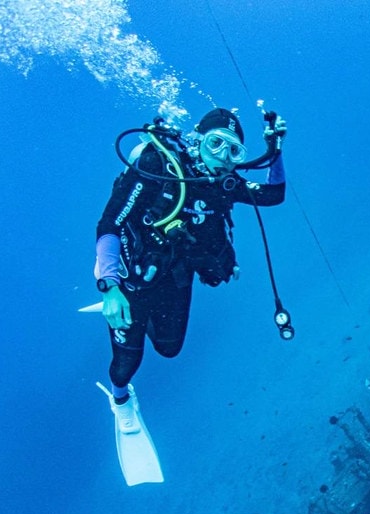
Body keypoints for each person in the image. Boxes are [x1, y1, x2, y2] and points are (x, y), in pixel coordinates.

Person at [93, 107, 287, 436]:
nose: (223, 157)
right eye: (215, 144)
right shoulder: (158, 167)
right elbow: (109, 223)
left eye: (233, 150)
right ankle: (122, 401)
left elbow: (273, 195)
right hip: (129, 279)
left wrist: (277, 149)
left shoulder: (223, 184)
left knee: (169, 349)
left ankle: (138, 314)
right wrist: (109, 288)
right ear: (198, 140)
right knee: (126, 365)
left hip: (172, 274)